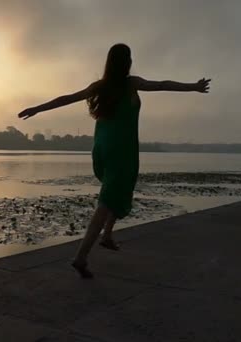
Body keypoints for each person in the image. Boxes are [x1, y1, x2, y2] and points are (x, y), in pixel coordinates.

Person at [17, 43, 210, 278]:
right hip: (122, 149)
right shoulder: (132, 84)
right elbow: (162, 84)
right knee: (108, 200)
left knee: (119, 190)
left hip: (102, 146)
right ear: (127, 62)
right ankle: (80, 257)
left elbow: (68, 98)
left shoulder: (100, 86)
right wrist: (194, 87)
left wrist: (37, 109)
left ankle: (107, 235)